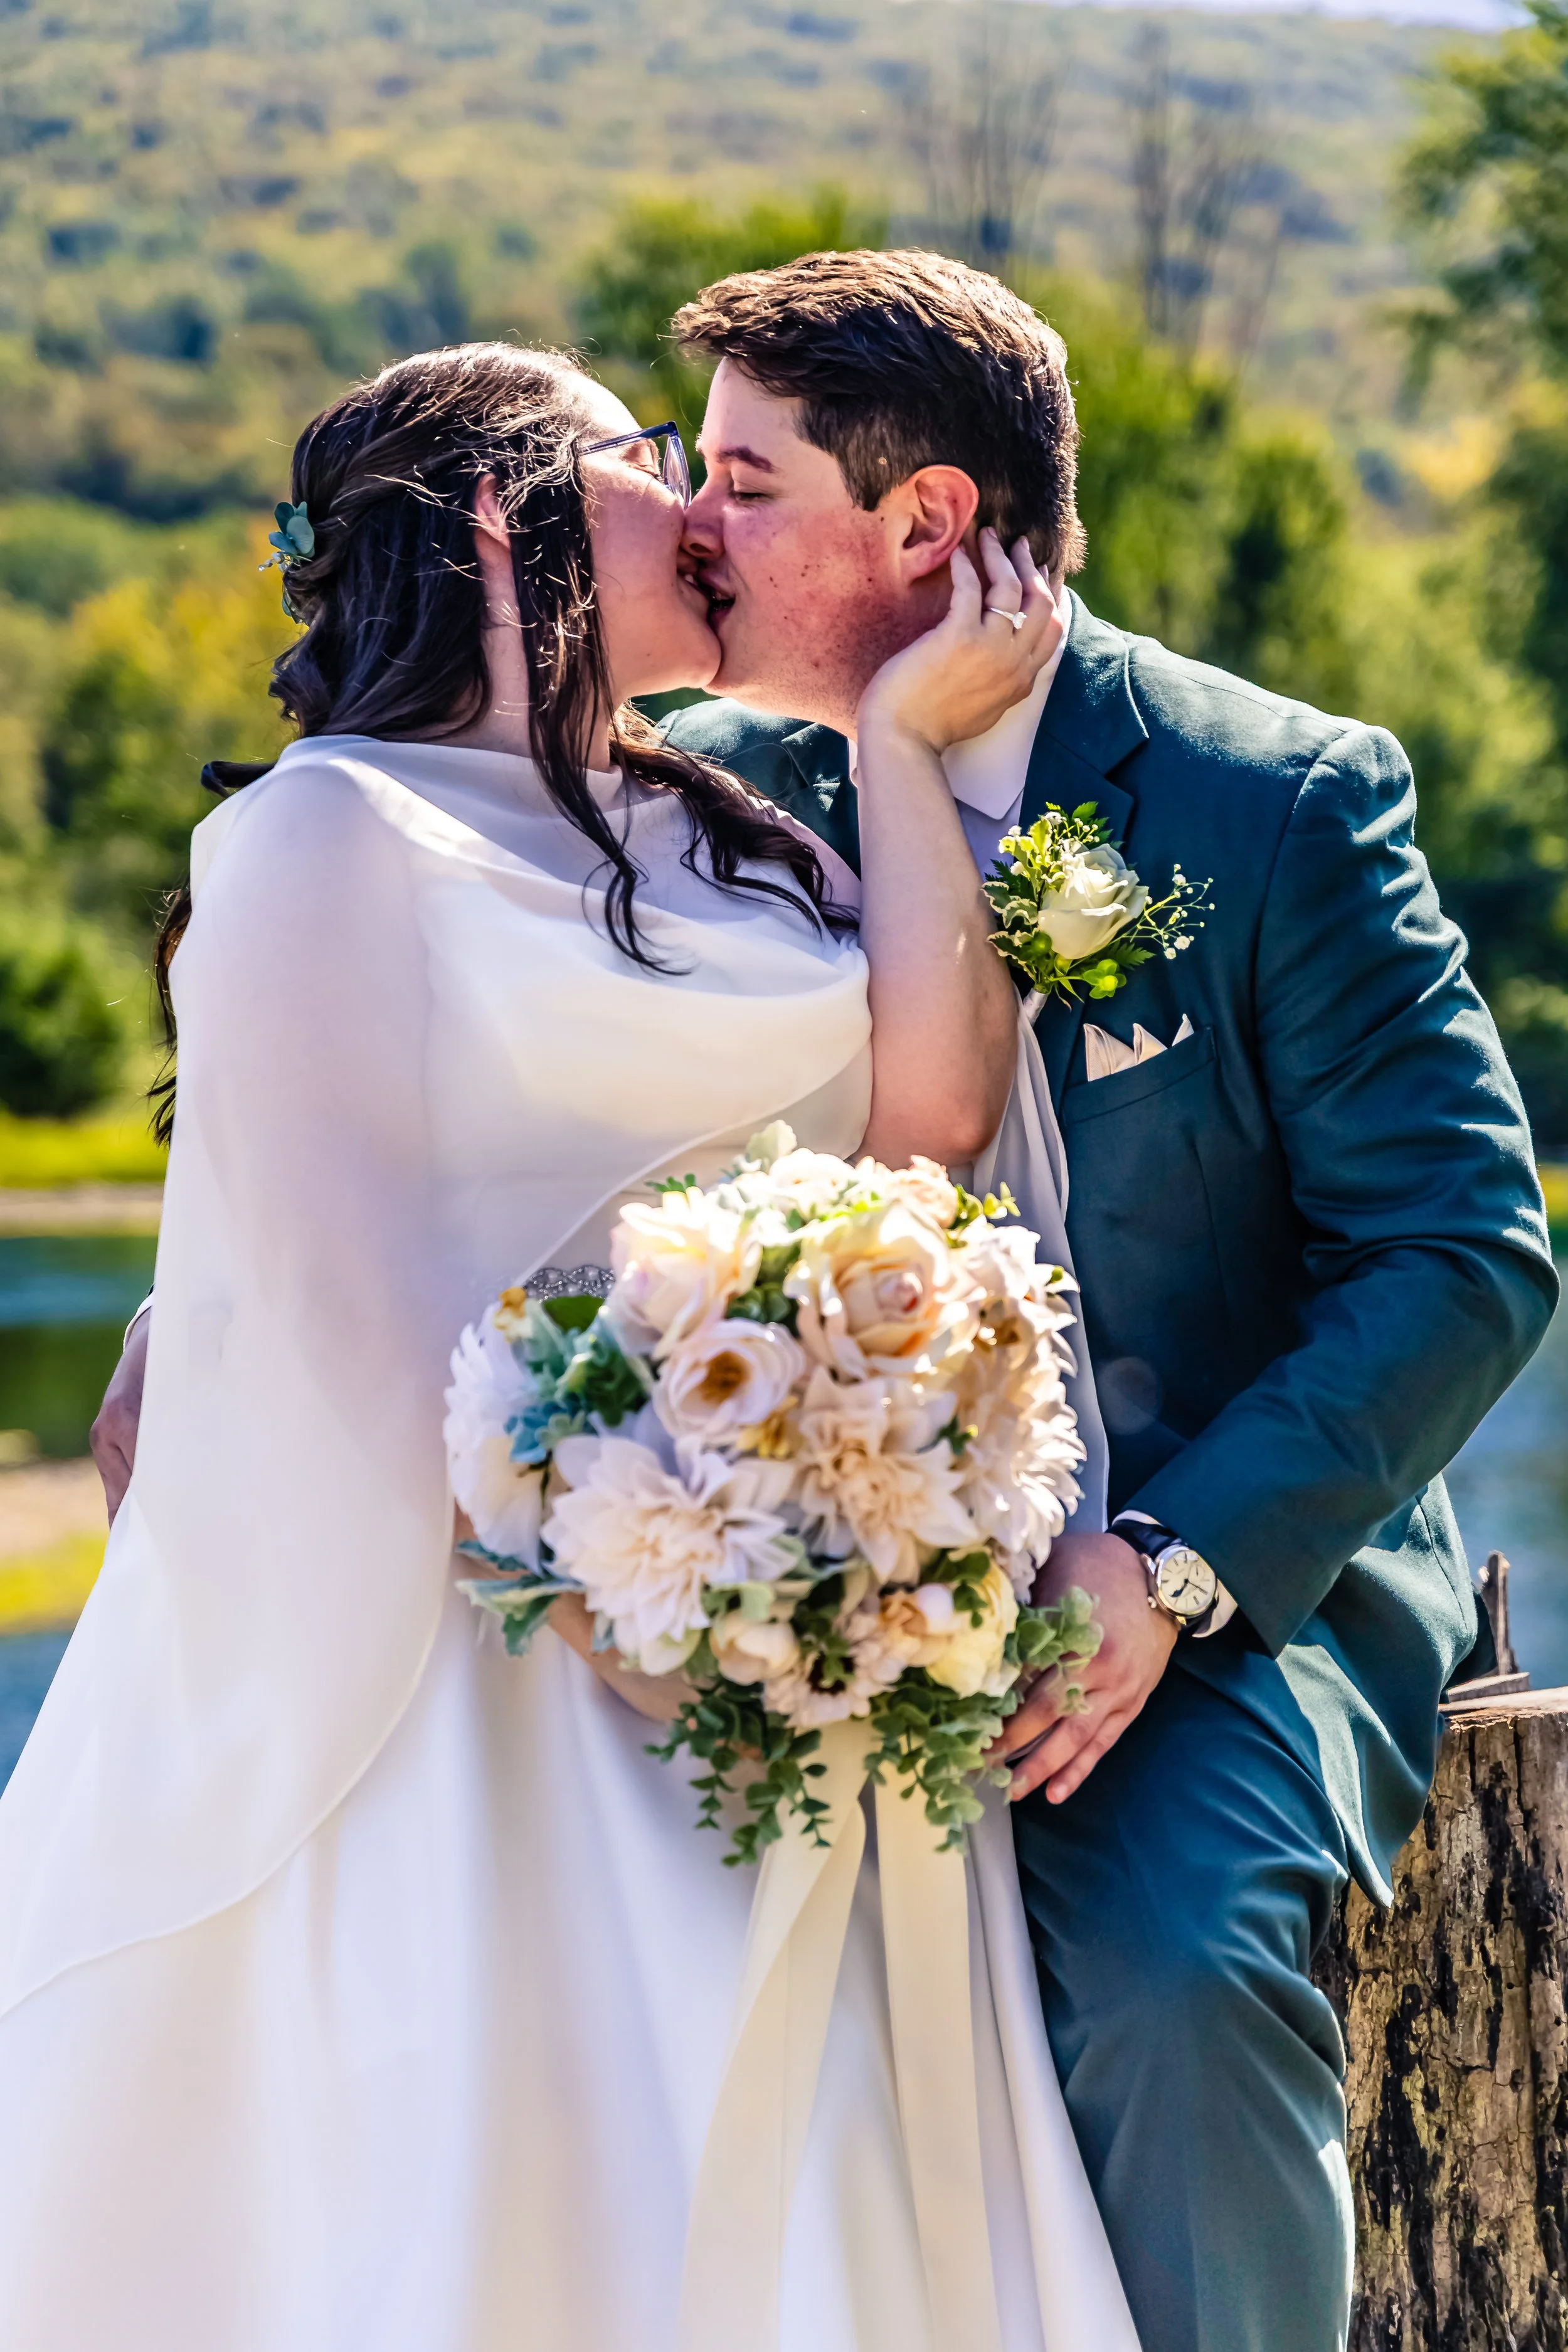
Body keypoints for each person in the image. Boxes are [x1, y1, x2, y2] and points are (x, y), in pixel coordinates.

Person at [0, 342, 1143, 2350]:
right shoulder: (319, 842)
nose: (706, 512)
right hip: (511, 1687)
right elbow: (356, 1329)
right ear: (489, 516)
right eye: (649, 461)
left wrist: (892, 745)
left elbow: (925, 1123)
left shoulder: (734, 832)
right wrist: (645, 1611)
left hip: (797, 1660)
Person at [655, 247, 1560, 2352]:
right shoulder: (712, 788)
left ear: (928, 524)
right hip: (818, 1567)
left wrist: (1163, 1567)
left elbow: (1462, 1252)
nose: (694, 526)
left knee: (1166, 1959)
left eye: (743, 479)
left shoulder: (1271, 801)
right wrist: (215, 1306)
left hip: (1217, 1573)